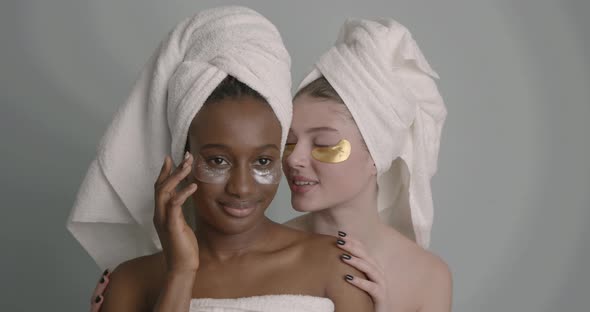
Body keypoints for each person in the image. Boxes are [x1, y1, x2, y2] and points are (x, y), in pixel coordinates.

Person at [71, 6, 372, 312]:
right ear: (182, 159)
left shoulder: (337, 268)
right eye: (217, 161)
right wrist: (181, 273)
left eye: (263, 162)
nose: (241, 188)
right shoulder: (132, 281)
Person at [282, 18, 452, 312]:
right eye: (289, 142)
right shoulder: (261, 253)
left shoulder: (427, 278)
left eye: (323, 144)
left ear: (376, 155)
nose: (294, 159)